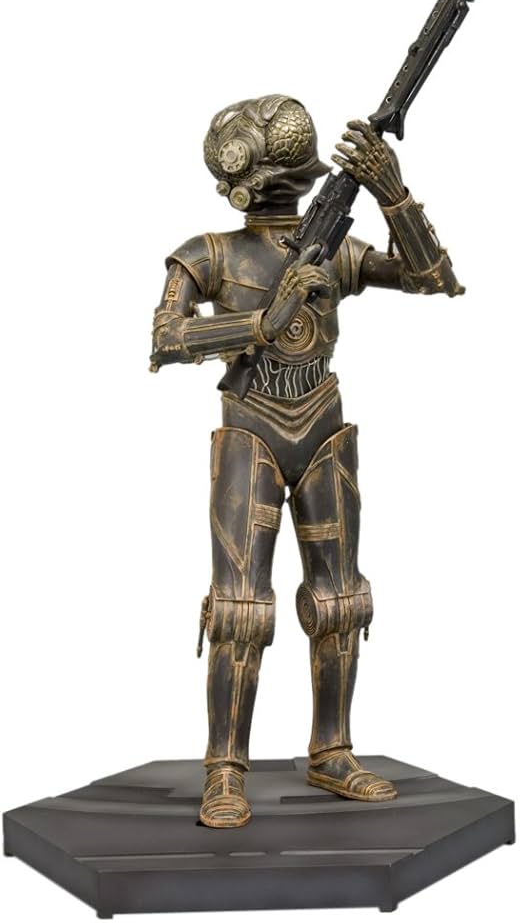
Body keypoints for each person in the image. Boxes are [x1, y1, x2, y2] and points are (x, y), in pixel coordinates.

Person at [150, 94, 462, 829]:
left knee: (339, 600)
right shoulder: (209, 254)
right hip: (250, 432)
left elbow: (434, 277)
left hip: (322, 427)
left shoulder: (335, 251)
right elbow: (165, 339)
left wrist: (391, 193)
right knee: (239, 609)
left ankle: (333, 750)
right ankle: (225, 768)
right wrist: (264, 320)